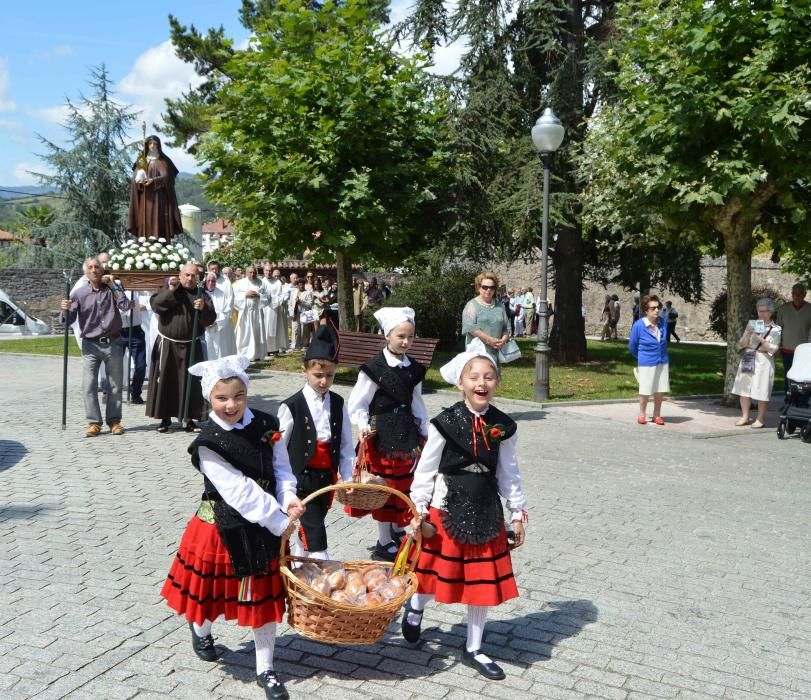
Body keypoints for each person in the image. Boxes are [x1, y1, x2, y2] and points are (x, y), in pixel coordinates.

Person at [160, 355, 304, 700]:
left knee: (262, 597)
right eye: (222, 398)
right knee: (212, 593)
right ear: (209, 397)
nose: (231, 405)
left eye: (238, 396)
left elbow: (282, 468)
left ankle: (266, 668)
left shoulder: (268, 424)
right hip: (222, 527)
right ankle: (201, 628)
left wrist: (289, 498)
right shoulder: (208, 442)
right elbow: (240, 492)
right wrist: (281, 523)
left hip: (267, 522)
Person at [401, 338, 527, 681]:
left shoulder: (504, 425)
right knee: (433, 573)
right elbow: (425, 469)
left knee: (480, 582)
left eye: (488, 376)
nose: (481, 383)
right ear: (461, 383)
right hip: (447, 507)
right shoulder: (444, 423)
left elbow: (508, 471)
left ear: (496, 382)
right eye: (474, 377)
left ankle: (474, 647)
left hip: (486, 508)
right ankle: (415, 607)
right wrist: (420, 509)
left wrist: (517, 513)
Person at [347, 307, 429, 561]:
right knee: (384, 487)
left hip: (406, 432)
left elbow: (417, 402)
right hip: (381, 435)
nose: (406, 342)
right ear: (387, 335)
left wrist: (425, 429)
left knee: (405, 483)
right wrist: (361, 424)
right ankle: (383, 540)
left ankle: (396, 528)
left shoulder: (414, 369)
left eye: (410, 337)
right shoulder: (373, 368)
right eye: (400, 336)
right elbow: (358, 403)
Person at [277, 324, 354, 561]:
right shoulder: (291, 406)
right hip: (300, 477)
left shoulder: (339, 403)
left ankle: (302, 567)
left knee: (313, 523)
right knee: (315, 531)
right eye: (318, 375)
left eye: (329, 376)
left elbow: (345, 446)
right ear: (305, 371)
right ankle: (323, 568)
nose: (323, 381)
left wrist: (347, 477)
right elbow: (279, 448)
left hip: (325, 478)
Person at [60, 257, 130, 437]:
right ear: (86, 272)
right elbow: (69, 320)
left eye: (97, 267)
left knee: (115, 386)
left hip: (113, 343)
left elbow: (125, 305)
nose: (94, 270)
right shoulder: (79, 293)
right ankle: (93, 423)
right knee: (89, 385)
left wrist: (114, 285)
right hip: (90, 345)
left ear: (102, 270)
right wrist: (65, 309)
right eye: (90, 268)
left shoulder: (112, 290)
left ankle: (114, 421)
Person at [147, 263, 216, 433]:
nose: (190, 278)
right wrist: (170, 291)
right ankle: (164, 419)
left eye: (193, 276)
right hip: (168, 344)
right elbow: (156, 305)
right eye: (187, 275)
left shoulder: (201, 294)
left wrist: (203, 309)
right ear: (180, 274)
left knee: (191, 383)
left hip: (192, 345)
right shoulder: (169, 288)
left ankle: (189, 419)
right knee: (166, 381)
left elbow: (210, 319)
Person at [731, 298, 782, 428]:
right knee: (744, 388)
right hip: (749, 356)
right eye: (760, 311)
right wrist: (748, 332)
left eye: (766, 311)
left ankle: (760, 419)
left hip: (764, 360)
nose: (762, 314)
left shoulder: (776, 329)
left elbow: (773, 349)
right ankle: (745, 416)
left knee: (762, 389)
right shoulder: (752, 324)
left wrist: (759, 337)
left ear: (771, 312)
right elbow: (742, 344)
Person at [127, 135, 183, 241]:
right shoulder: (142, 159)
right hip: (145, 197)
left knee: (159, 220)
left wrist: (154, 180)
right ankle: (145, 244)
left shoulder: (163, 160)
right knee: (145, 221)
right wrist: (140, 177)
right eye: (150, 143)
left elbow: (168, 177)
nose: (152, 146)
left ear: (158, 145)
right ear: (147, 145)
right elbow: (135, 178)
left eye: (155, 144)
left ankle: (161, 245)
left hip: (160, 198)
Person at [629, 294, 669, 425]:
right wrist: (642, 357)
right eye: (653, 308)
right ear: (646, 310)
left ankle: (657, 415)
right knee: (645, 389)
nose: (657, 310)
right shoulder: (639, 325)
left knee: (660, 389)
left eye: (658, 307)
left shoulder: (663, 323)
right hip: (646, 361)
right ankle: (642, 414)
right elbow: (632, 346)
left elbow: (664, 341)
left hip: (662, 360)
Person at [461, 272, 510, 367]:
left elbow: (506, 328)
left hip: (495, 353)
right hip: (477, 353)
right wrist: (489, 340)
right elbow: (469, 327)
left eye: (492, 287)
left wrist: (503, 340)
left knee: (492, 380)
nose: (488, 290)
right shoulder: (471, 305)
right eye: (485, 287)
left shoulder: (500, 306)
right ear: (479, 287)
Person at [776, 283, 811, 391]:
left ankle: (802, 400)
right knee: (788, 374)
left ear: (805, 294)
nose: (797, 296)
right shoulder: (783, 309)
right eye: (794, 293)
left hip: (804, 351)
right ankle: (788, 398)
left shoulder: (810, 309)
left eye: (800, 293)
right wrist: (777, 346)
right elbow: (777, 329)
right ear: (791, 294)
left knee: (804, 376)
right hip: (787, 349)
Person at [117, 283, 148, 404]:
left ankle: (135, 391)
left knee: (140, 365)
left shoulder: (134, 285)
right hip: (118, 330)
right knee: (115, 364)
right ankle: (113, 392)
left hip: (135, 330)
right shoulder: (113, 286)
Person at [233, 265, 268, 362]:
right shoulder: (239, 283)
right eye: (250, 272)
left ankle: (257, 354)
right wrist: (245, 294)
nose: (252, 274)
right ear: (246, 272)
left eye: (254, 273)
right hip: (245, 313)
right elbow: (234, 297)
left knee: (257, 333)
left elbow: (268, 297)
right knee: (245, 334)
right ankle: (243, 354)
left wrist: (258, 295)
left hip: (257, 313)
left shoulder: (261, 283)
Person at [203, 272, 237, 360]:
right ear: (205, 281)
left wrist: (216, 321)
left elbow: (227, 311)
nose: (211, 283)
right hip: (205, 329)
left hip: (219, 328)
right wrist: (206, 322)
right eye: (208, 281)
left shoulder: (221, 293)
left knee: (220, 352)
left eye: (213, 281)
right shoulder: (201, 293)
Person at [262, 267, 288, 355]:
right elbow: (261, 295)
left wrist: (274, 300)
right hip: (265, 309)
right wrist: (267, 300)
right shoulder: (261, 282)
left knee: (275, 329)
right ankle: (265, 348)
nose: (268, 272)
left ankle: (274, 348)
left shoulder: (277, 282)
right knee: (265, 328)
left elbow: (280, 295)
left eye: (270, 271)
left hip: (275, 308)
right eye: (266, 270)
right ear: (264, 271)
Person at [286, 273, 302, 351]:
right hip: (289, 309)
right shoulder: (287, 287)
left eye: (296, 278)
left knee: (297, 327)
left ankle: (296, 344)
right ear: (290, 279)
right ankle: (290, 343)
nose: (295, 279)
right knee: (289, 327)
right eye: (294, 278)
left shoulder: (300, 287)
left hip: (298, 310)